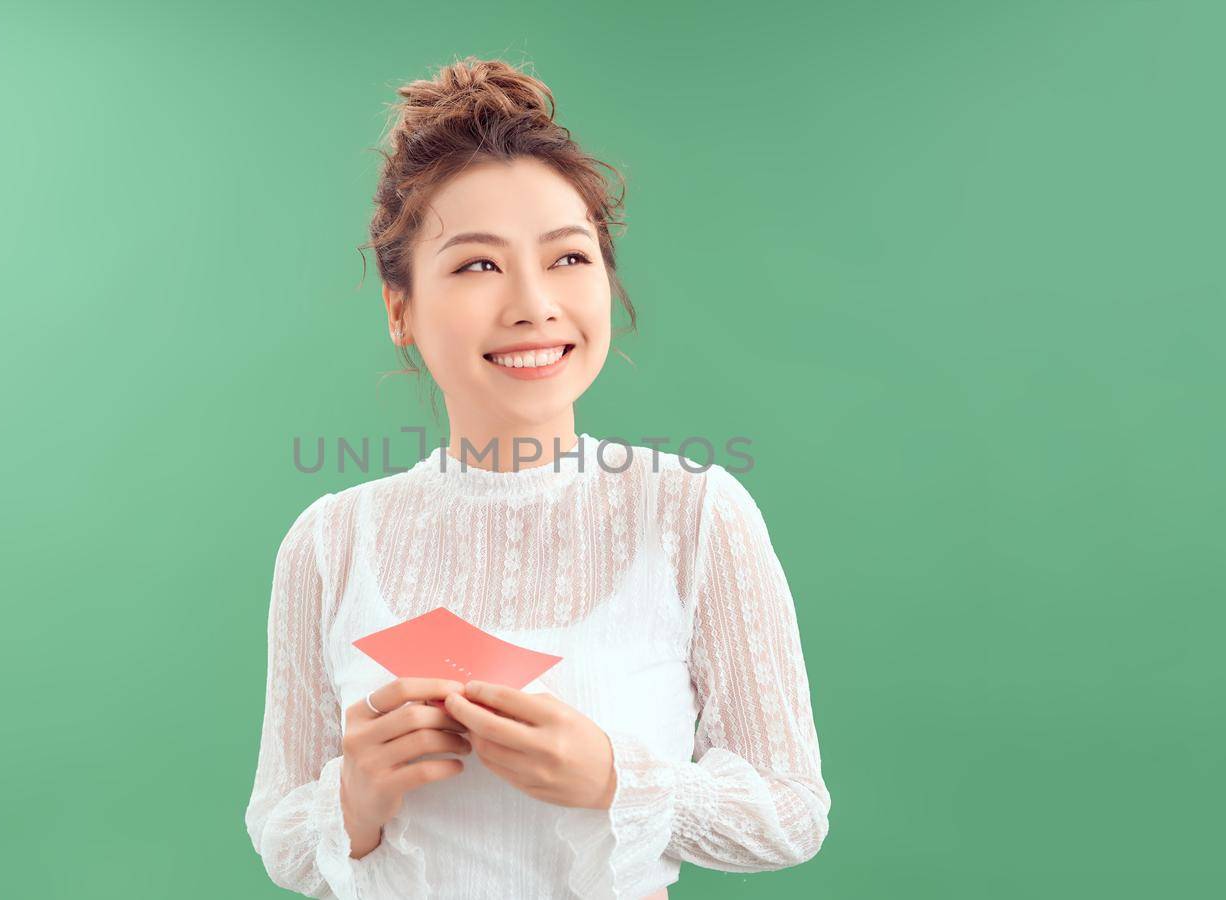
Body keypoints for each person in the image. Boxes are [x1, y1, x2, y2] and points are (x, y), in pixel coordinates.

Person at [244, 56, 831, 899]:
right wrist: (356, 795)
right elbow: (280, 834)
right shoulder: (330, 542)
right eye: (478, 265)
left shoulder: (693, 514)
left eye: (566, 259)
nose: (533, 304)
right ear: (398, 307)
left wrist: (613, 778)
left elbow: (791, 814)